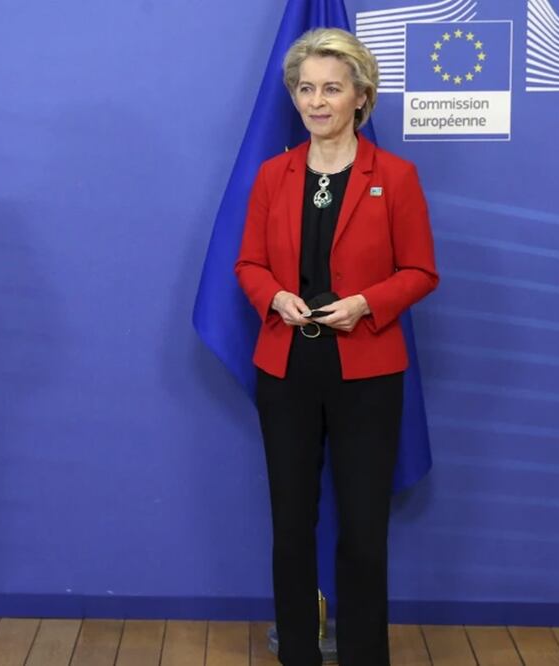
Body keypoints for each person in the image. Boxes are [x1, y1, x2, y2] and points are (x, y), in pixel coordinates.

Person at [234, 28, 439, 666]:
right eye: (305, 89)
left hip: (367, 369)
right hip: (287, 366)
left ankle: (363, 653)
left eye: (330, 88)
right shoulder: (274, 175)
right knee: (291, 524)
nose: (316, 102)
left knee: (364, 528)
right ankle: (297, 651)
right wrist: (274, 296)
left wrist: (366, 304)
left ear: (360, 97)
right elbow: (247, 264)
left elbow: (420, 271)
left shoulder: (395, 177)